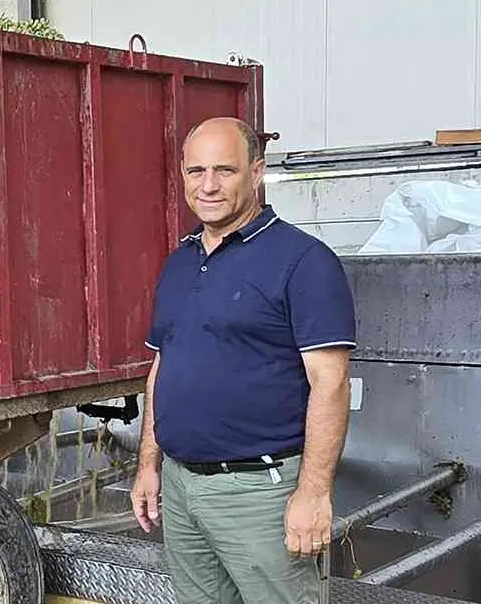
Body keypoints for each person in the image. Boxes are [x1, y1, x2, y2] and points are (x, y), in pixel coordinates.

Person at [129, 117, 356, 604]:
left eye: (224, 170)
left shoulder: (304, 261)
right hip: (182, 487)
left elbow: (331, 382)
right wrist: (149, 464)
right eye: (196, 171)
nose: (208, 185)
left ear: (256, 173)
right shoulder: (180, 261)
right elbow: (163, 367)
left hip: (259, 492)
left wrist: (313, 493)